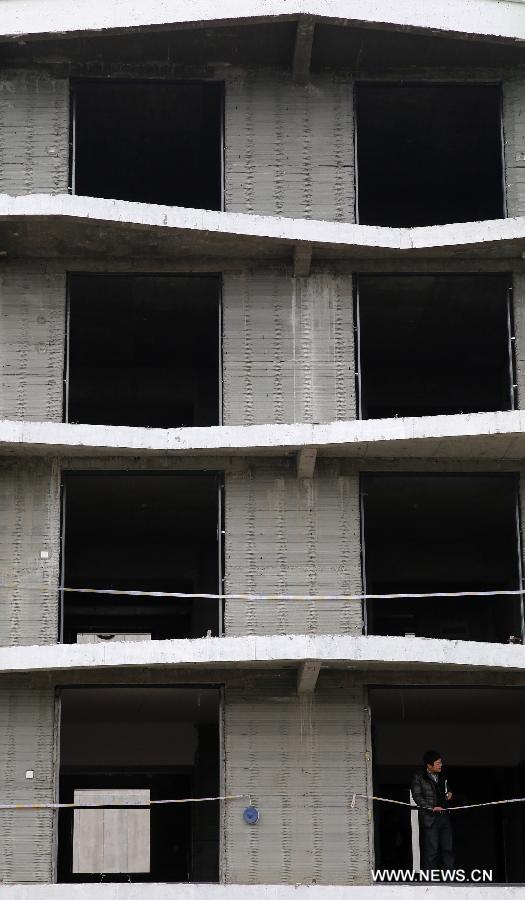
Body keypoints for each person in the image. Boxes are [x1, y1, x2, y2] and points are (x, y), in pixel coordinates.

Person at [411, 749, 454, 873]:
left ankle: (450, 878)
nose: (441, 765)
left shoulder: (442, 776)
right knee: (432, 851)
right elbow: (417, 797)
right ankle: (431, 879)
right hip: (430, 818)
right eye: (438, 763)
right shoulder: (419, 777)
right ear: (429, 765)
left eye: (441, 762)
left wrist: (449, 793)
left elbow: (447, 789)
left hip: (444, 816)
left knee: (448, 849)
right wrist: (431, 808)